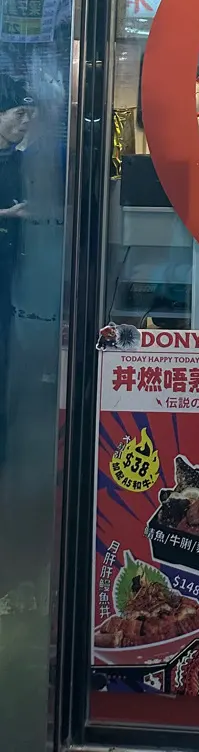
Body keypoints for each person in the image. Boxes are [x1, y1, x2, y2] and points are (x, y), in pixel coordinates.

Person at [0, 74, 33, 467]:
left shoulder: (20, 160)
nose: (26, 122)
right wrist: (6, 214)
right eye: (19, 113)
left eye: (31, 115)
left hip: (9, 272)